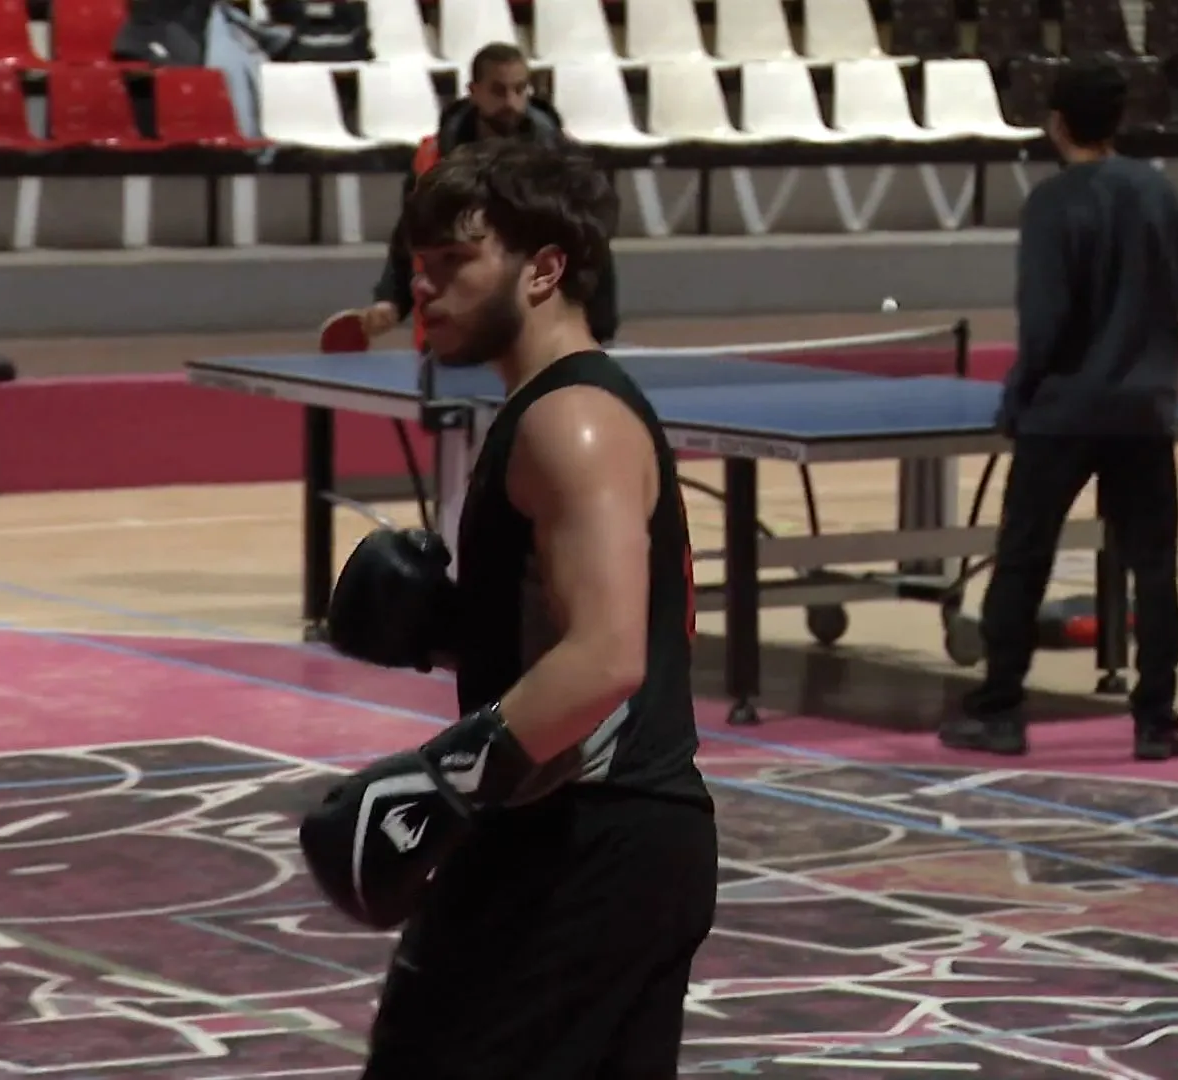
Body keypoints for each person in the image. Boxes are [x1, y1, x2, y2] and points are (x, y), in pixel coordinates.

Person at [300, 140, 719, 1078]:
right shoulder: (550, 410)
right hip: (593, 835)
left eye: (456, 262)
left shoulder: (571, 422)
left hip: (586, 842)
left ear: (543, 270)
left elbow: (608, 655)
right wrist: (455, 632)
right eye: (419, 266)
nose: (426, 289)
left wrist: (434, 782)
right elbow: (580, 631)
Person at [942, 60, 1178, 763]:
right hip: (1143, 413)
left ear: (1057, 123)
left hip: (1063, 412)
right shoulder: (1159, 192)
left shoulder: (1051, 205)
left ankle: (1000, 709)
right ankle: (1156, 720)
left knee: (1024, 558)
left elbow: (1045, 322)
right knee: (1154, 566)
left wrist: (1018, 395)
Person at [348, 42, 621, 349]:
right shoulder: (434, 160)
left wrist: (599, 330)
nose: (511, 102)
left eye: (520, 89)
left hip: (537, 333)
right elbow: (409, 239)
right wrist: (391, 300)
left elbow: (591, 241)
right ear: (474, 91)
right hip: (454, 331)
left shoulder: (559, 161)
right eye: (499, 91)